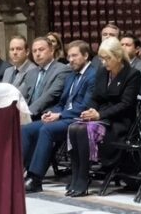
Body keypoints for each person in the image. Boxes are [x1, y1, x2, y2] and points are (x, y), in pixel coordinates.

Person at [65, 37, 140, 197]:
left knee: (84, 131)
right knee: (74, 128)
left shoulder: (133, 74)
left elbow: (126, 104)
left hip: (119, 121)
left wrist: (100, 114)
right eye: (102, 58)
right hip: (101, 116)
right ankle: (76, 176)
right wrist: (90, 111)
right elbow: (96, 97)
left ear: (118, 57)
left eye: (108, 58)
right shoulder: (102, 71)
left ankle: (83, 179)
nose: (104, 62)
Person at [22, 41, 96, 192]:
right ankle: (19, 172)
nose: (70, 59)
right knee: (27, 129)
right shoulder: (71, 75)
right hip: (64, 116)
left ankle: (35, 178)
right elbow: (62, 102)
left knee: (46, 131)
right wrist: (51, 113)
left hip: (79, 119)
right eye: (69, 56)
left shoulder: (93, 75)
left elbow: (86, 106)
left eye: (74, 56)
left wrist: (59, 115)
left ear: (86, 55)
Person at [22, 37, 71, 120]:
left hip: (47, 115)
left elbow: (50, 95)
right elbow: (23, 97)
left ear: (52, 50)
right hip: (28, 116)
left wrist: (27, 113)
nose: (37, 54)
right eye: (34, 51)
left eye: (41, 50)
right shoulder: (30, 73)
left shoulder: (62, 70)